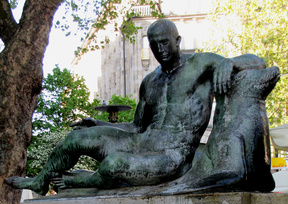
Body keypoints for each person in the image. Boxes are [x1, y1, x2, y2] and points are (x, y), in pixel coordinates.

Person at [5, 19, 266, 195]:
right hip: (142, 142)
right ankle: (40, 182)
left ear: (178, 40)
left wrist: (229, 63)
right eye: (153, 44)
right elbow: (137, 126)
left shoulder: (201, 64)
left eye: (165, 42)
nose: (160, 49)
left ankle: (80, 180)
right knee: (76, 139)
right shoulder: (150, 81)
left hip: (173, 154)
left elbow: (258, 61)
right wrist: (99, 124)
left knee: (114, 164)